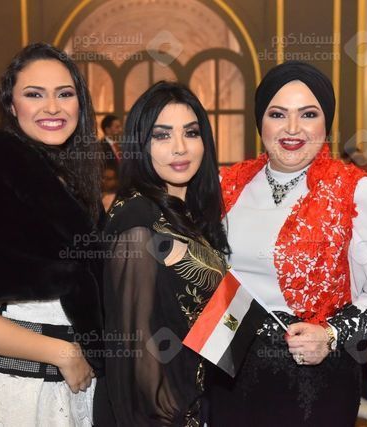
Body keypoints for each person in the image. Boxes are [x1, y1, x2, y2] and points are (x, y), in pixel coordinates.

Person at [210, 61, 367, 426]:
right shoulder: (228, 184)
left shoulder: (357, 193)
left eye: (308, 114)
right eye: (277, 114)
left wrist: (332, 333)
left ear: (326, 122)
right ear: (260, 121)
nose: (292, 128)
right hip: (229, 375)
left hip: (311, 382)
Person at [0, 43, 104, 427]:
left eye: (65, 94)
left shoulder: (71, 178)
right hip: (19, 388)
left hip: (70, 382)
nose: (53, 107)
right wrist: (63, 354)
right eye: (34, 95)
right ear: (12, 106)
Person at [94, 81, 229, 426]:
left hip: (194, 397)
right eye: (162, 135)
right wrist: (174, 416)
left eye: (191, 132)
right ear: (141, 143)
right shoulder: (137, 220)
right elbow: (134, 348)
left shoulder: (187, 211)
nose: (180, 148)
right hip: (161, 414)